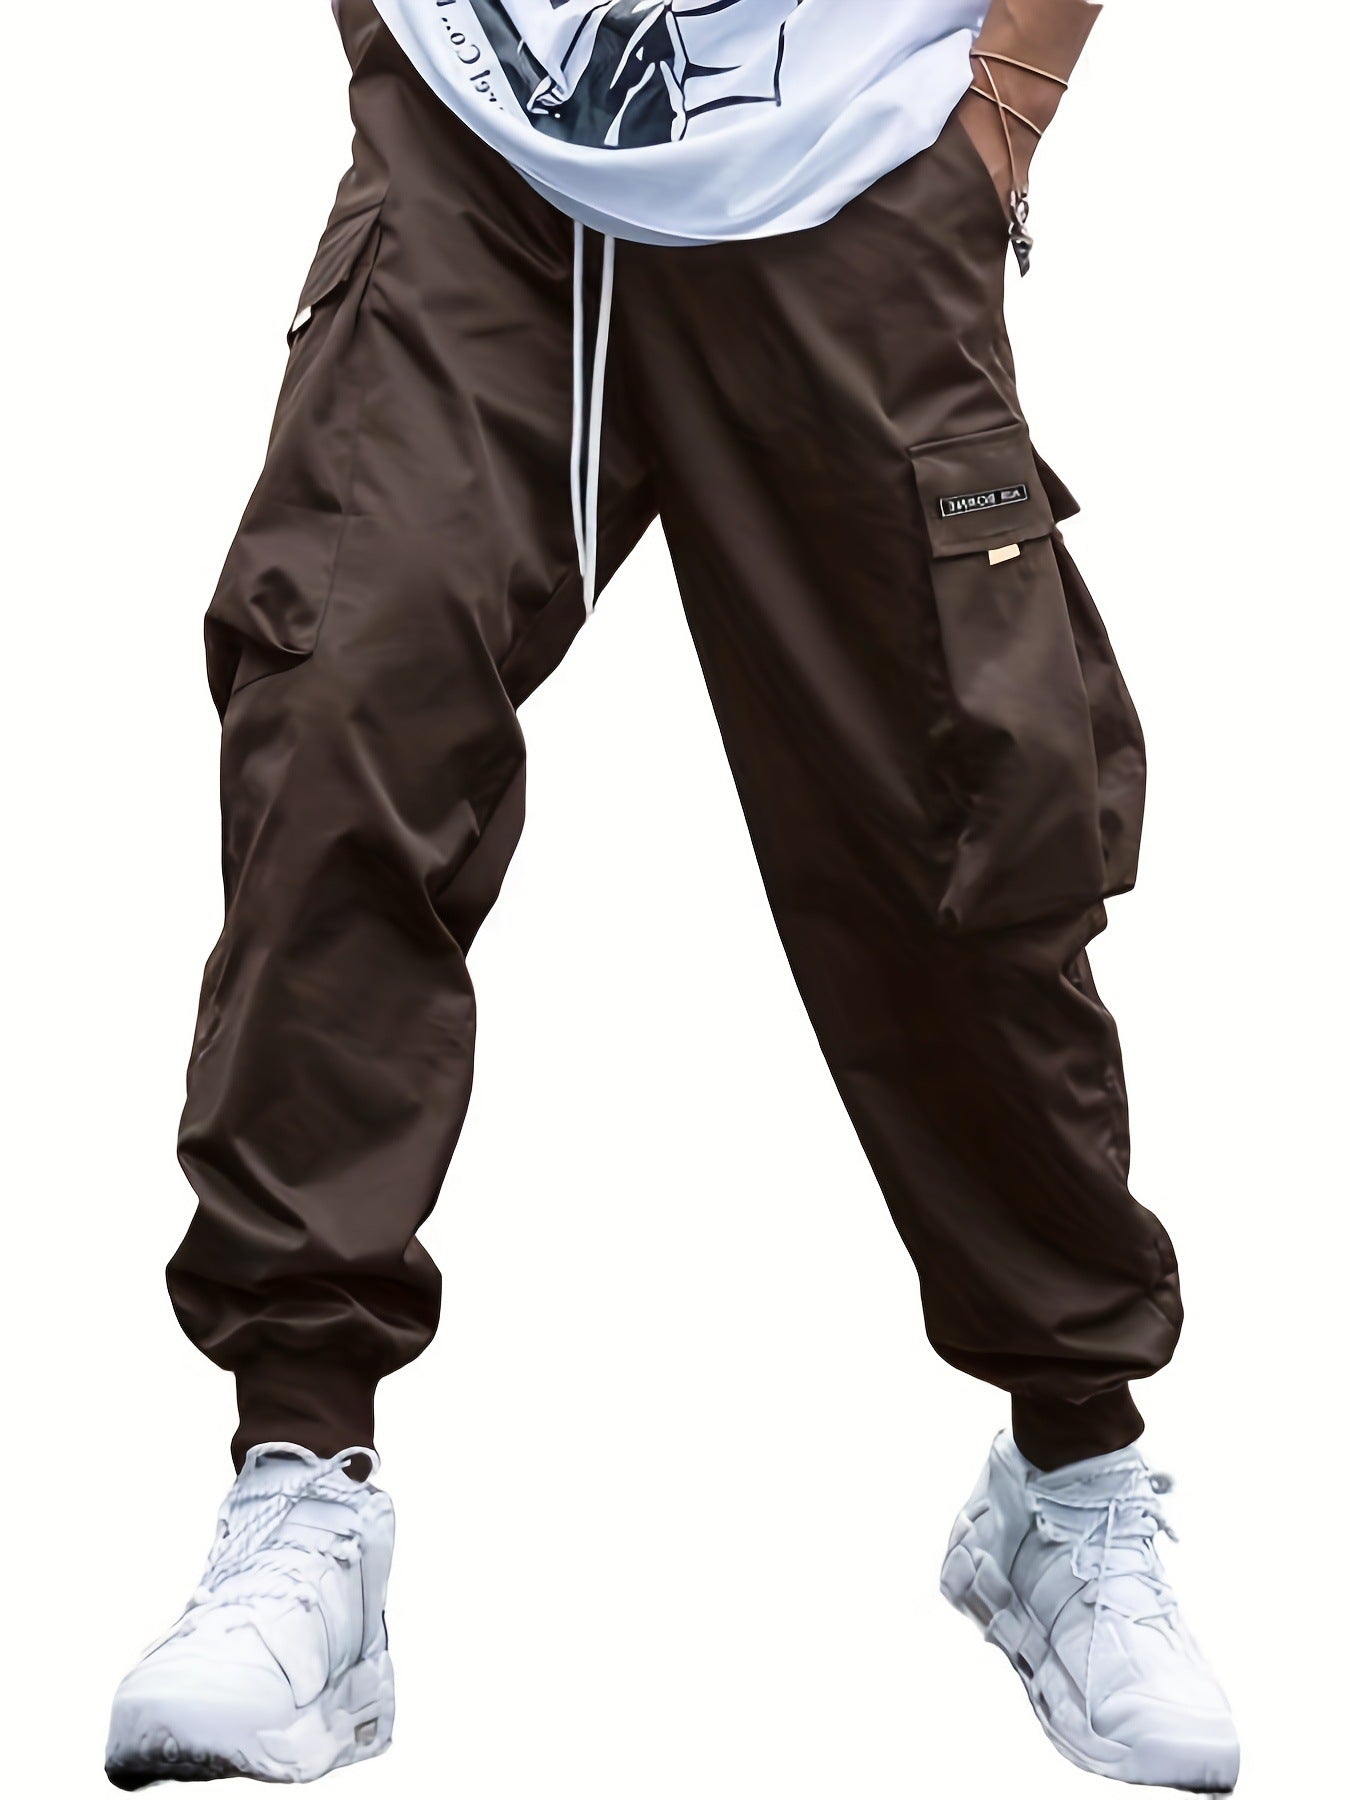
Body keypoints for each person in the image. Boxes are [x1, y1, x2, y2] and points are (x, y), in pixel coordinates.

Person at [105, 2, 1240, 1791]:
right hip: (479, 143)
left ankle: (1069, 1473)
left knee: (961, 815)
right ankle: (299, 1478)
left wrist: (1006, 102)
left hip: (849, 157)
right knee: (337, 724)